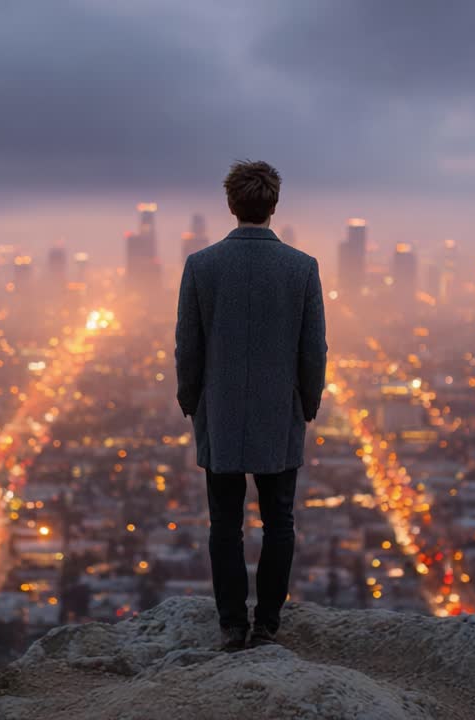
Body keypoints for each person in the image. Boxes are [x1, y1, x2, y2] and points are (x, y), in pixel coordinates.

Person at [175, 160, 328, 650]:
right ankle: (267, 625)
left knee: (225, 523)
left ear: (230, 205)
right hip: (278, 412)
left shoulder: (201, 266)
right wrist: (308, 402)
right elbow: (313, 349)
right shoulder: (302, 268)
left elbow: (188, 345)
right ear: (274, 205)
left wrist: (190, 399)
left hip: (219, 412)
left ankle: (231, 626)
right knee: (279, 520)